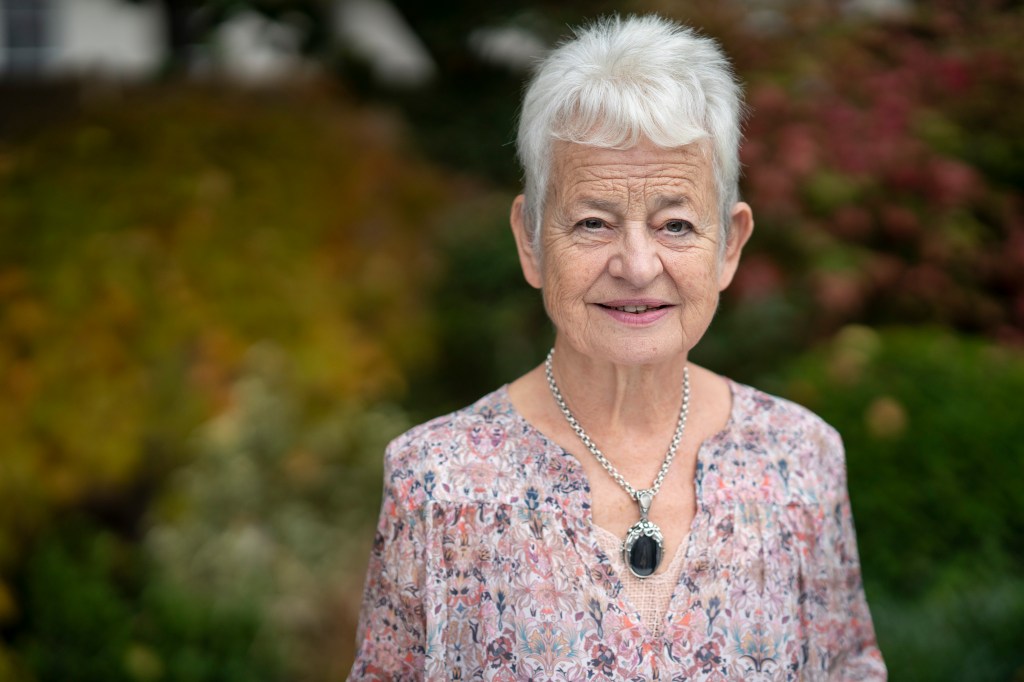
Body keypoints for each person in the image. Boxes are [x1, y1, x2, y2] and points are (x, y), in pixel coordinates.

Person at [349, 14, 886, 681]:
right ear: (530, 240)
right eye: (593, 222)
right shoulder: (436, 481)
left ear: (730, 246)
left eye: (675, 224)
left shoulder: (800, 461)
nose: (636, 265)